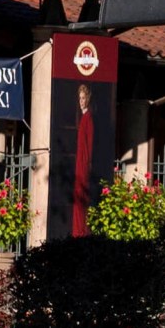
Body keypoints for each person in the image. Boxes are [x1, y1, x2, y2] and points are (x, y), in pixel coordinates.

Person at [69, 83, 95, 239]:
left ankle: (81, 232)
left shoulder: (88, 118)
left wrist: (87, 164)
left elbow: (89, 144)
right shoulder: (84, 118)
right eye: (80, 98)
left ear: (88, 99)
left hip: (84, 164)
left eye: (84, 98)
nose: (81, 101)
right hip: (80, 163)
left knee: (81, 197)